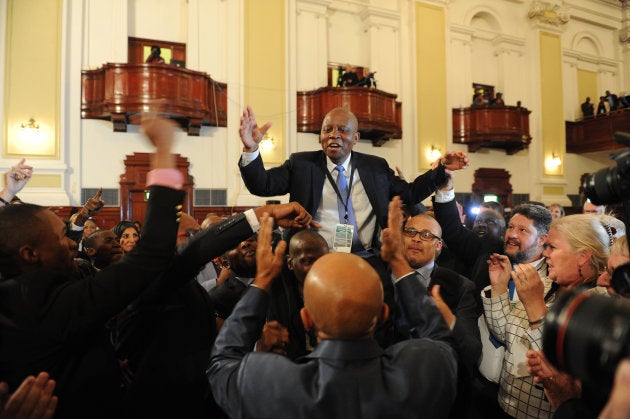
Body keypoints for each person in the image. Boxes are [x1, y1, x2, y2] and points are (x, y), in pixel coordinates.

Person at [0, 115, 186, 418]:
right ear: (30, 254)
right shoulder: (48, 301)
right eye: (62, 236)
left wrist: (7, 196)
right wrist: (164, 150)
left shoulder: (12, 296)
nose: (72, 243)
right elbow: (151, 254)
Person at [208, 197, 458, 419]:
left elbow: (222, 360)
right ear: (383, 314)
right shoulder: (424, 370)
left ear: (307, 319)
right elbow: (439, 338)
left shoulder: (270, 383)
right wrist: (398, 264)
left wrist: (262, 281)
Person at [485, 213, 610, 418]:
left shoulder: (600, 304)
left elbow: (560, 367)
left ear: (583, 256)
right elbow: (504, 334)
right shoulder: (542, 283)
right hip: (507, 404)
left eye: (553, 247)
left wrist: (535, 306)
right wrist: (499, 287)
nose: (545, 254)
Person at [400, 213, 481, 418]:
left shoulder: (460, 287)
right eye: (410, 232)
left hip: (436, 395)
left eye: (426, 235)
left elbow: (471, 350)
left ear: (438, 246)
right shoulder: (378, 277)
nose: (416, 238)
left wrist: (447, 317)